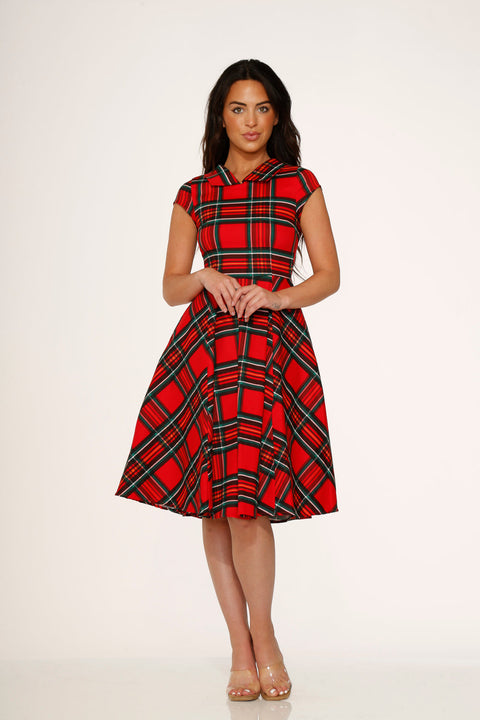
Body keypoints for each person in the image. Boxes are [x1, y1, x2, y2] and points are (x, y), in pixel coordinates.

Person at [114, 58, 340, 702]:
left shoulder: (299, 185)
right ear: (221, 117)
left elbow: (329, 275)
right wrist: (205, 277)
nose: (251, 121)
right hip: (206, 354)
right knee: (213, 504)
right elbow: (170, 287)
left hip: (270, 353)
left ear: (278, 115)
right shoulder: (195, 193)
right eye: (238, 109)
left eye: (262, 108)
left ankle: (265, 640)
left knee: (248, 507)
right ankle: (241, 651)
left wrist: (277, 296)